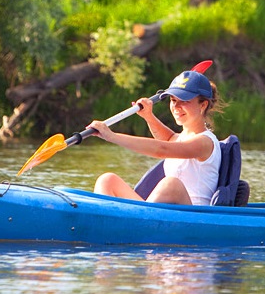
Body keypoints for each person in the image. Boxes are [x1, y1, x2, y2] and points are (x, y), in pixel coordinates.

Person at [88, 70, 224, 206]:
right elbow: (169, 138)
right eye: (173, 100)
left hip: (193, 218)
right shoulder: (180, 139)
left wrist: (112, 136)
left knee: (171, 184)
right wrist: (148, 116)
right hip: (165, 214)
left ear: (203, 105)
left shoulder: (205, 142)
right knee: (107, 180)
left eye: (184, 101)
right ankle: (102, 219)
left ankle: (137, 221)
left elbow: (162, 149)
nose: (176, 106)